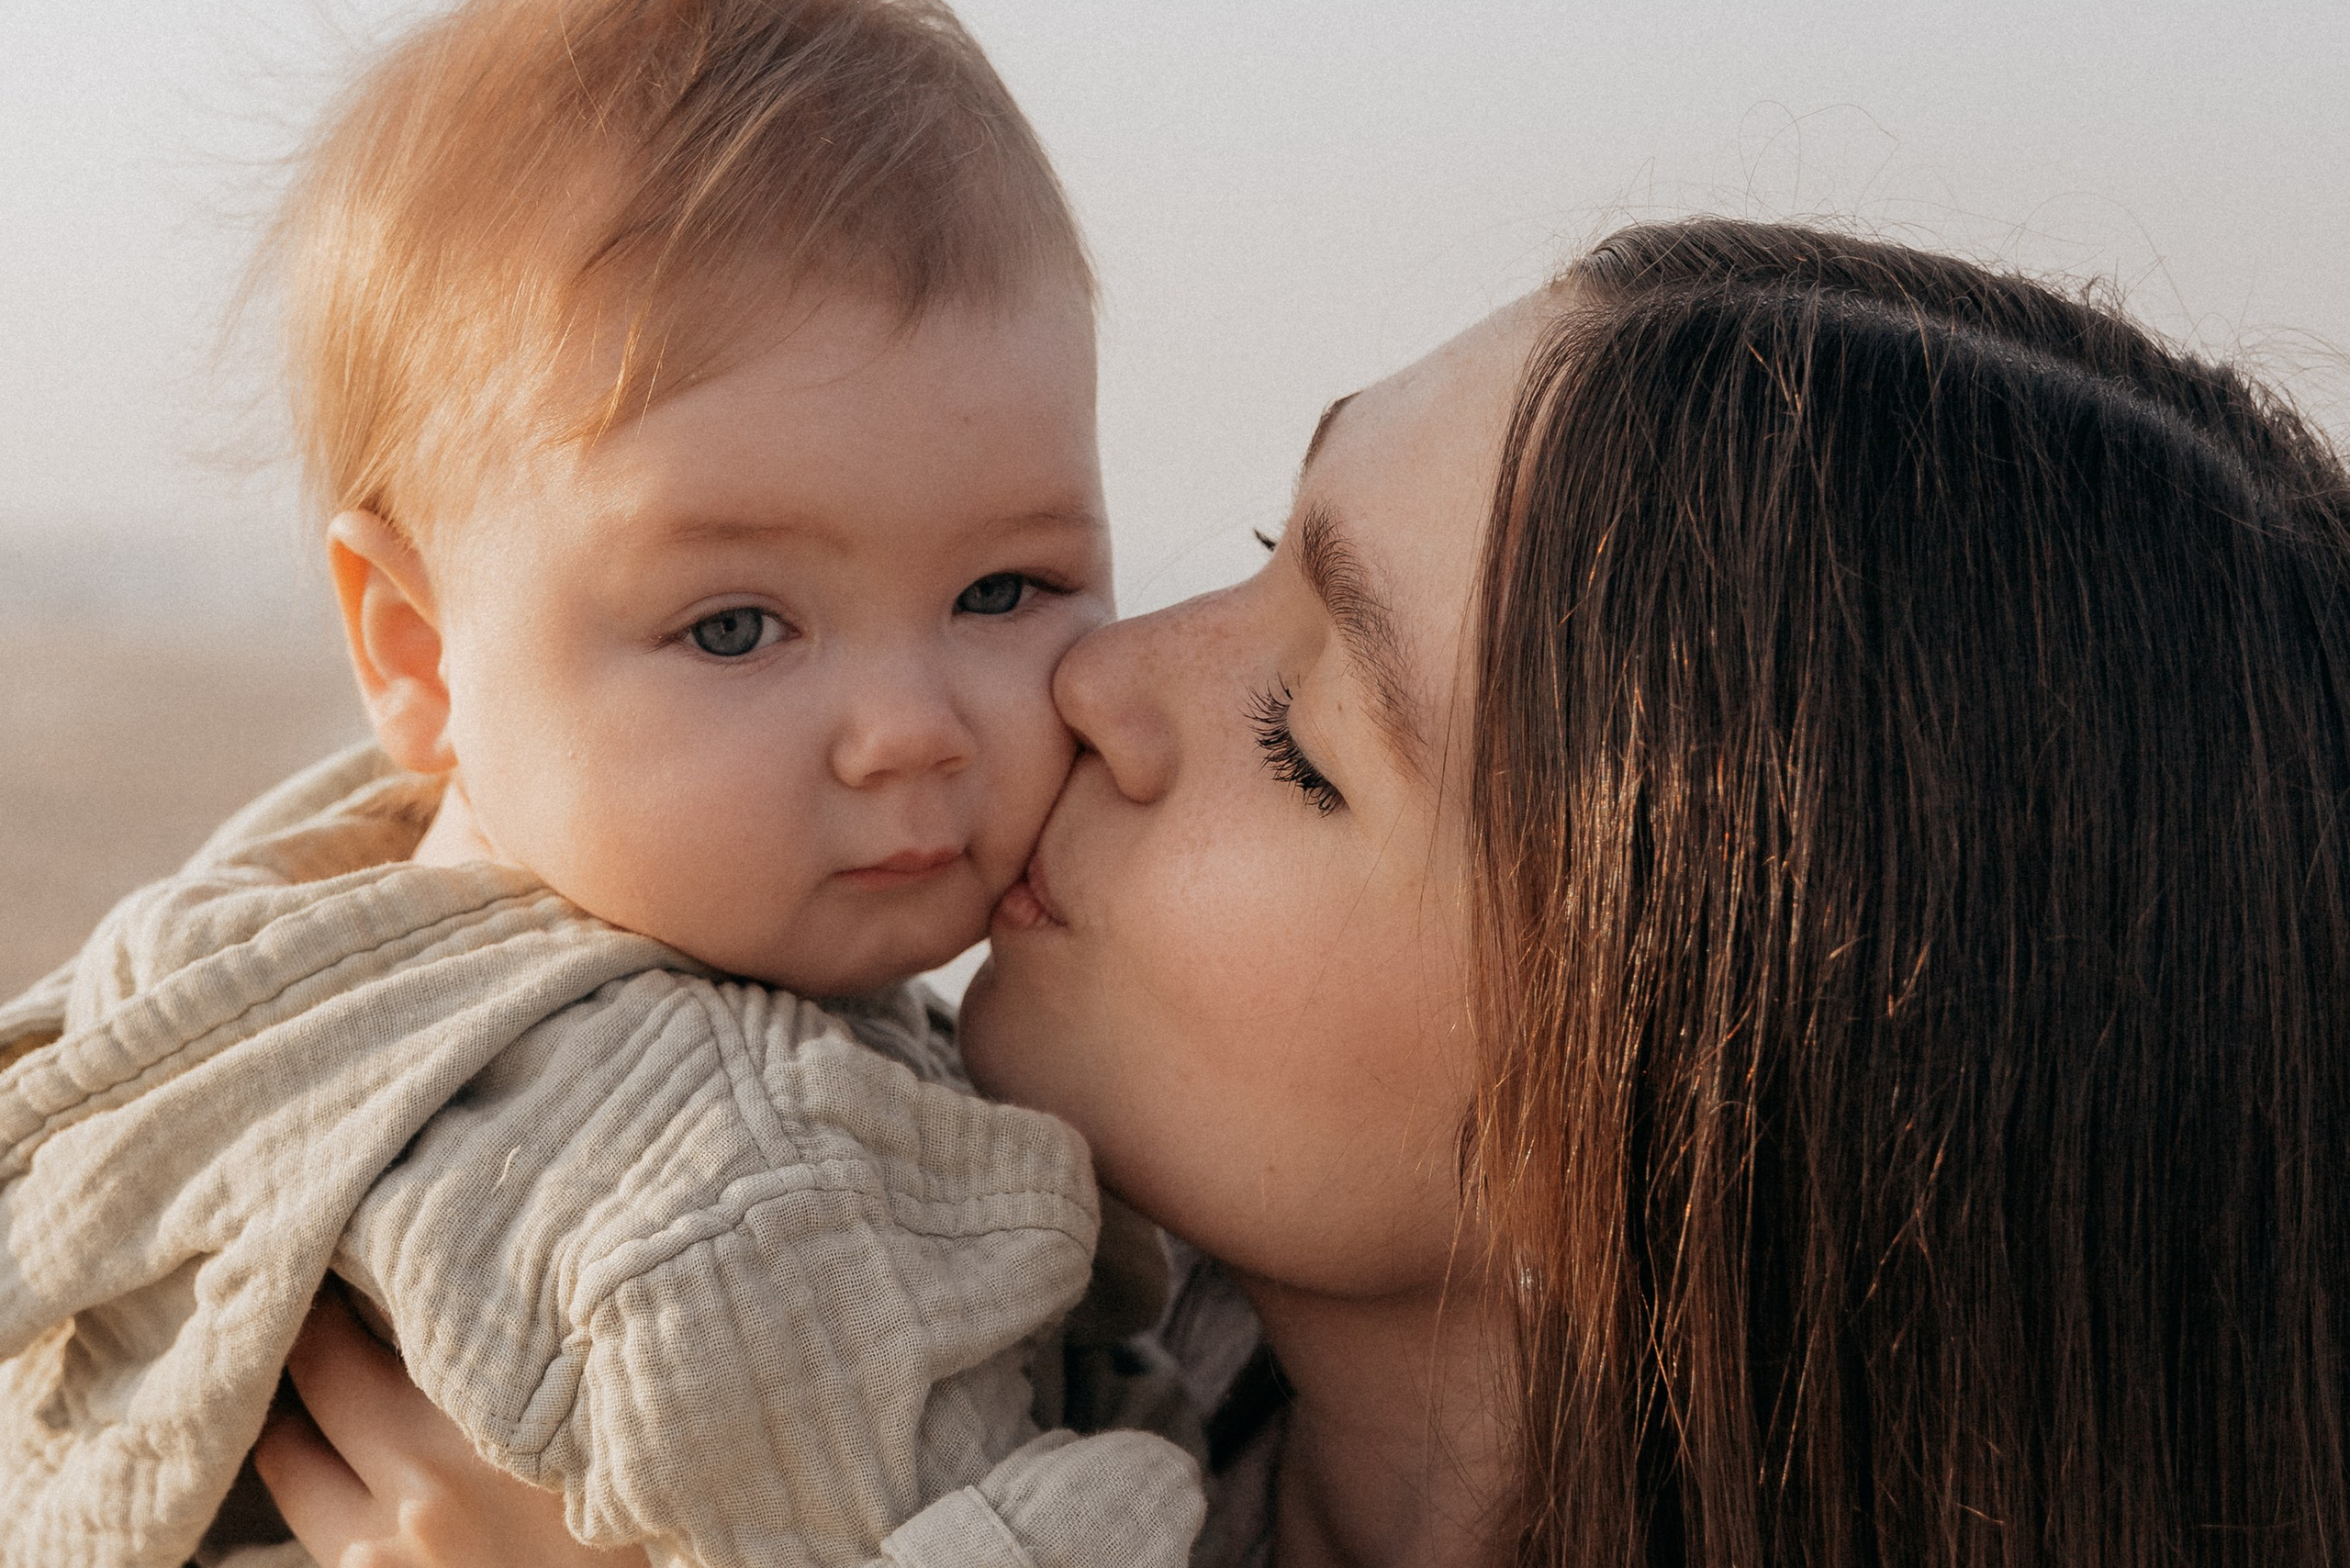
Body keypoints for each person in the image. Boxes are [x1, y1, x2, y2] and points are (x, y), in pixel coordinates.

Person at [263, 218, 2350, 1568]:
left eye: (1304, 738)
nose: (1091, 674)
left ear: (1711, 1129)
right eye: (1264, 539)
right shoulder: (871, 1296)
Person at [0, 1, 1208, 1564]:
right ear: (422, 652)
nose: (912, 729)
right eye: (733, 626)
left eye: (1004, 591)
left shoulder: (254, 954)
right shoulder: (745, 1197)